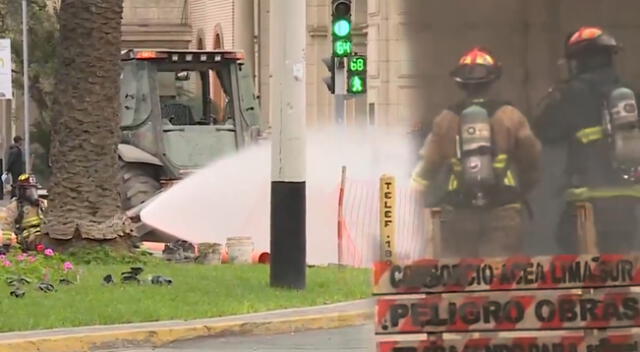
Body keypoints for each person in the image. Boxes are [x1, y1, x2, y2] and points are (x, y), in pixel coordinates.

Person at [411, 47, 542, 258]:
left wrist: (414, 197)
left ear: (460, 83)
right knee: (499, 276)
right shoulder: (510, 116)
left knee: (462, 276)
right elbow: (532, 157)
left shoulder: (445, 119)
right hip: (503, 209)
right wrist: (524, 188)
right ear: (493, 80)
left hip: (459, 210)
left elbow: (426, 168)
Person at [533, 26, 640, 254]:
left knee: (581, 262)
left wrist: (556, 93)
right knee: (622, 265)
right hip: (627, 197)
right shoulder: (630, 94)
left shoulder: (571, 93)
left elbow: (545, 131)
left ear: (577, 61)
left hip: (586, 199)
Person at [0, 174, 46, 253]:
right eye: (28, 190)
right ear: (21, 191)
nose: (32, 193)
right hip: (29, 238)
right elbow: (7, 227)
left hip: (44, 234)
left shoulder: (42, 204)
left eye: (34, 190)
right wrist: (5, 245)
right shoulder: (15, 207)